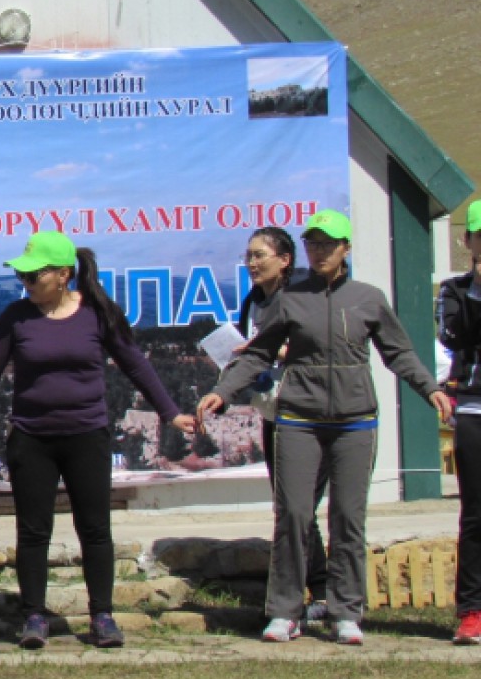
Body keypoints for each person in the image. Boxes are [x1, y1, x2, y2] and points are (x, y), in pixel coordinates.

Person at [199, 210, 451, 645]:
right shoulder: (291, 297)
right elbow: (258, 353)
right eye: (313, 243)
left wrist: (429, 389)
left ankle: (345, 611)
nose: (319, 251)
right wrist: (224, 390)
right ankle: (284, 611)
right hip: (298, 419)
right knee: (294, 515)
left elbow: (400, 353)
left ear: (345, 249)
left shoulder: (368, 298)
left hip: (356, 423)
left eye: (328, 244)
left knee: (348, 518)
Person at [0, 231, 196, 650]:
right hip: (31, 439)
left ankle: (102, 616)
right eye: (21, 275)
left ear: (64, 274)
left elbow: (136, 366)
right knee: (33, 532)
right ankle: (33, 615)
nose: (24, 281)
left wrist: (171, 413)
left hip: (87, 436)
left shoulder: (98, 314)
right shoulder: (15, 317)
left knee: (96, 530)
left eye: (33, 274)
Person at [234, 227, 330, 622]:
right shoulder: (254, 301)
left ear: (285, 259)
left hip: (312, 413)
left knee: (301, 506)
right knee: (291, 507)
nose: (252, 263)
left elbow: (328, 339)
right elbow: (251, 348)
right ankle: (314, 591)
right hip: (275, 412)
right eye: (249, 256)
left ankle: (325, 592)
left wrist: (283, 348)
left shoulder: (309, 292)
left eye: (260, 255)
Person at [435, 201, 481, 645]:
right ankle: (472, 611)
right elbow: (455, 336)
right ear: (467, 241)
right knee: (476, 515)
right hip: (474, 408)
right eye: (480, 235)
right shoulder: (455, 290)